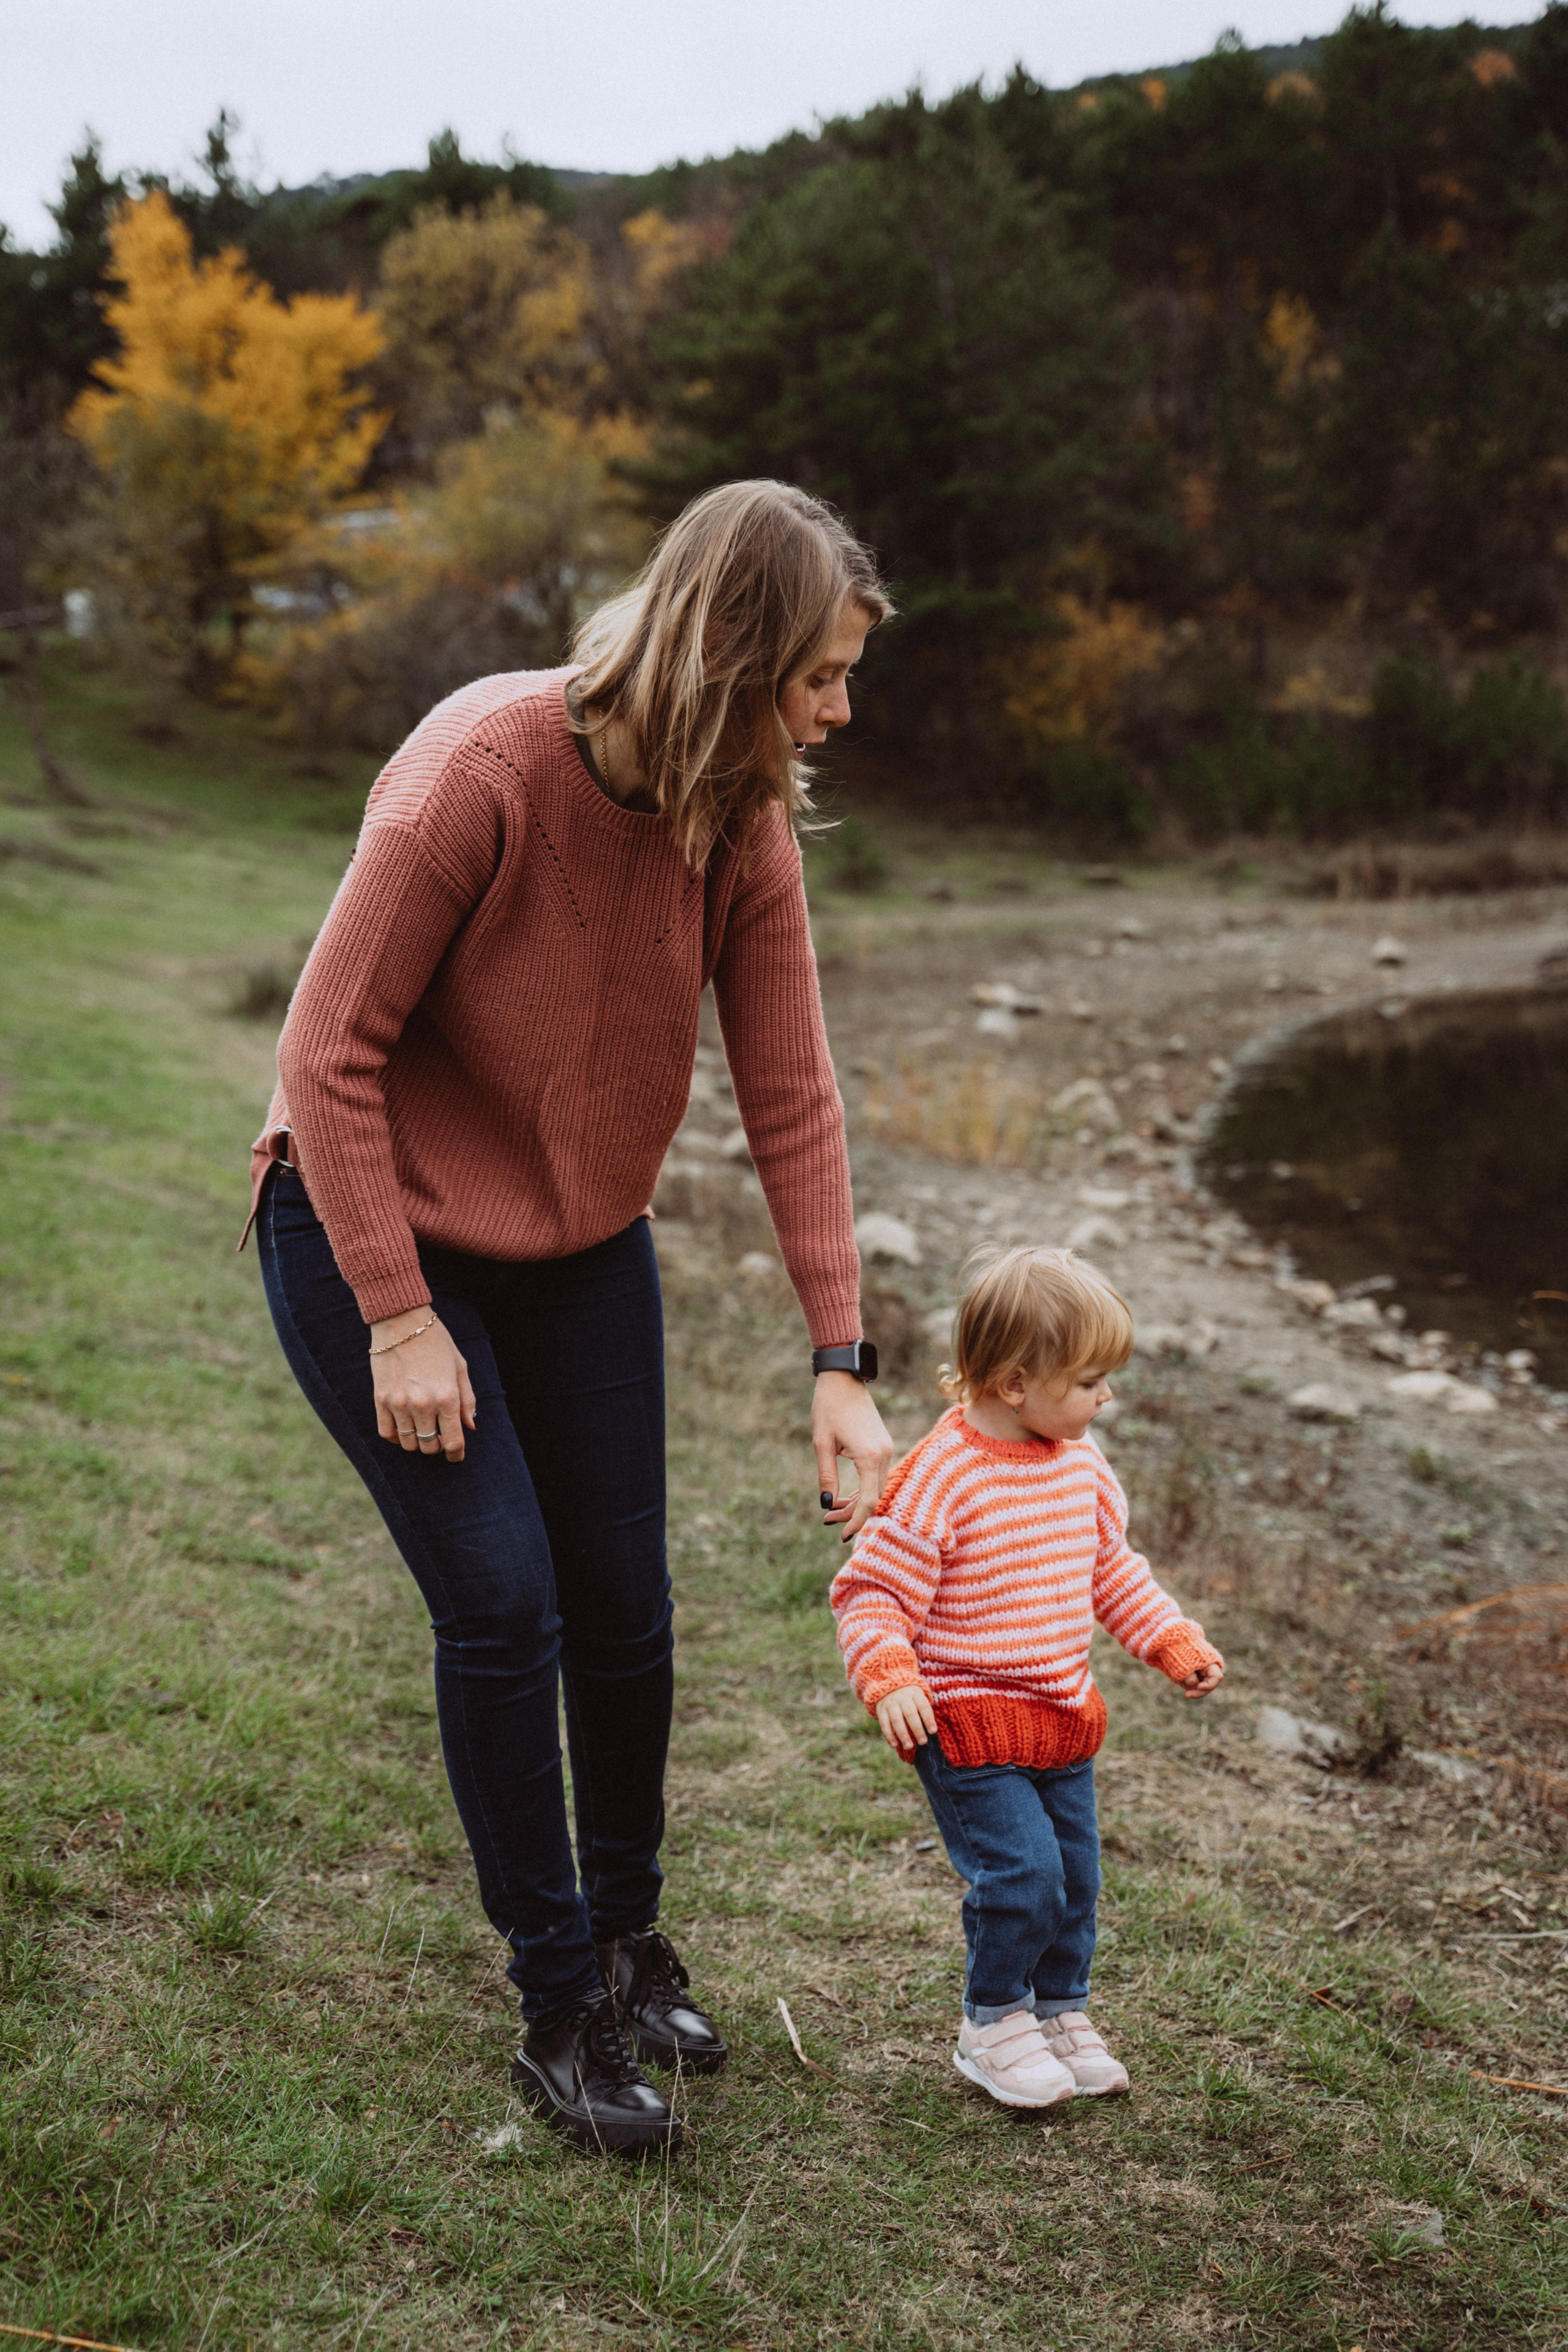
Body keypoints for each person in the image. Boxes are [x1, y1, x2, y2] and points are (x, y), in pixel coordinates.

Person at [244, 481, 895, 2155]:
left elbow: (793, 1089)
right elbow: (326, 1058)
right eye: (818, 673)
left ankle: (625, 1934)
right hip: (365, 1218)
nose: (838, 708)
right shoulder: (482, 768)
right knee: (507, 1600)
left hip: (580, 1246)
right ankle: (557, 2005)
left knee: (626, 1605)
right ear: (731, 655)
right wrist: (398, 1314)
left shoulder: (735, 815)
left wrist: (841, 1353)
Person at [829, 1246, 1224, 2111]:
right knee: (1023, 1878)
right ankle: (994, 2021)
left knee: (1076, 1879)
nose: (1105, 1398)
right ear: (1015, 1383)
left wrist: (1170, 1639)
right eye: (1089, 1381)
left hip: (1061, 1723)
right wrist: (890, 1671)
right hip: (969, 1727)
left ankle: (1058, 2010)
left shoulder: (1080, 1467)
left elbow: (1110, 1573)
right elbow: (870, 1590)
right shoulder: (942, 1476)